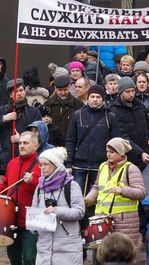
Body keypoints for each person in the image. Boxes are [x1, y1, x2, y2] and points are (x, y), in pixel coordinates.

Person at [84, 138, 147, 247]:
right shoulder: (102, 166)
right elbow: (96, 188)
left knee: (123, 257)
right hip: (102, 221)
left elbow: (141, 193)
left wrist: (122, 190)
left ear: (121, 153)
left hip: (124, 223)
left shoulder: (131, 169)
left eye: (112, 152)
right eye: (107, 151)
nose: (108, 154)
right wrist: (87, 199)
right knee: (105, 256)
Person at [65, 84, 125, 196]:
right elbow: (70, 140)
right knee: (76, 198)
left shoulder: (111, 117)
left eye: (98, 97)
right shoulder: (77, 115)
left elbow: (116, 142)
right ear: (88, 97)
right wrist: (69, 163)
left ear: (103, 98)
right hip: (79, 164)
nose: (95, 100)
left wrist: (113, 163)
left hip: (101, 165)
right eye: (92, 96)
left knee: (97, 198)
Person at [32, 147, 85, 265]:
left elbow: (80, 211)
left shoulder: (71, 185)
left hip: (68, 249)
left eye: (45, 164)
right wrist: (33, 226)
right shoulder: (39, 188)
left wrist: (57, 211)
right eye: (40, 165)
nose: (42, 168)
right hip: (44, 250)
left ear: (55, 165)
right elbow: (34, 212)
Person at [110, 77, 149, 170]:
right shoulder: (114, 110)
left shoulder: (140, 107)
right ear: (121, 92)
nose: (131, 94)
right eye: (127, 92)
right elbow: (123, 138)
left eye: (133, 91)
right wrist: (140, 153)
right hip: (127, 159)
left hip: (145, 155)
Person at [0, 132, 41, 265]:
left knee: (30, 259)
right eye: (20, 143)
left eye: (25, 143)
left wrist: (33, 181)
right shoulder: (12, 163)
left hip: (30, 221)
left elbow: (45, 189)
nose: (21, 146)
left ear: (35, 146)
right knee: (14, 258)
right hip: (11, 221)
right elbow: (6, 186)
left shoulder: (41, 165)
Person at [0, 79, 42, 174]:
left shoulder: (34, 111)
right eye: (15, 92)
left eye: (21, 90)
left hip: (26, 159)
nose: (19, 93)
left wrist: (21, 139)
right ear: (10, 95)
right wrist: (3, 118)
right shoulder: (3, 111)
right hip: (5, 160)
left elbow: (39, 134)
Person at [43, 76, 84, 140]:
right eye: (60, 90)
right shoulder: (47, 104)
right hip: (52, 142)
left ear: (69, 87)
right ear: (55, 88)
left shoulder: (78, 104)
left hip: (71, 142)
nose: (63, 93)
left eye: (65, 90)